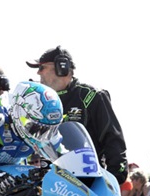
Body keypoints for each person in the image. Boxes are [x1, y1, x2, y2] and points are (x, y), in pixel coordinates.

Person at [26, 46, 128, 184]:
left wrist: (113, 180)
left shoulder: (91, 97)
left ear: (62, 67)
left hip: (86, 183)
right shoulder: (39, 102)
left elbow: (112, 139)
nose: (38, 73)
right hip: (49, 184)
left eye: (42, 67)